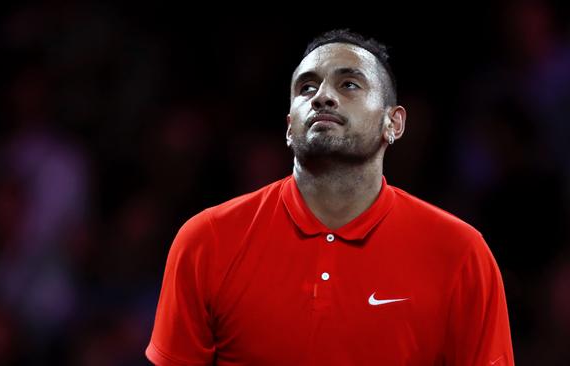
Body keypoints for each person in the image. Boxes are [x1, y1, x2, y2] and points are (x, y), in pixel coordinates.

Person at [146, 29, 514, 366]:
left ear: (394, 123)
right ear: (290, 125)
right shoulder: (207, 239)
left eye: (350, 84)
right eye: (306, 88)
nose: (322, 96)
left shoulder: (460, 252)